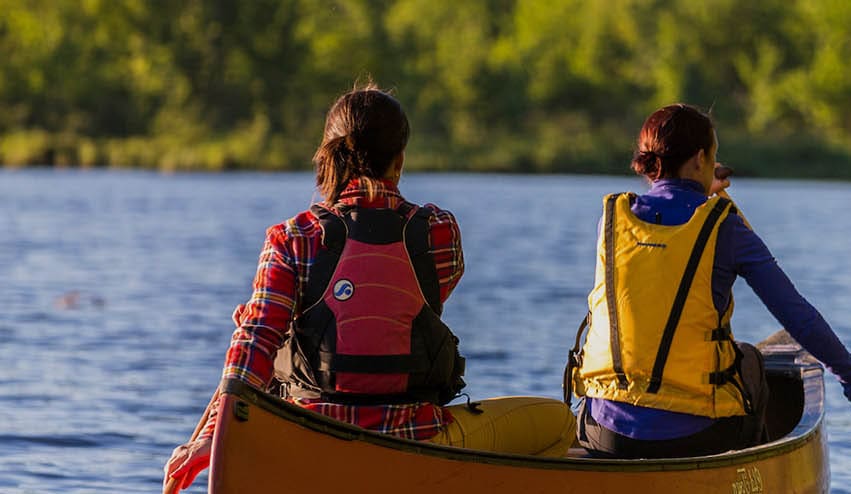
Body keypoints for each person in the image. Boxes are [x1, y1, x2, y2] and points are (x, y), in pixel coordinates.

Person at [165, 86, 573, 491]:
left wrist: (212, 437)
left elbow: (256, 339)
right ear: (399, 160)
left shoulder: (290, 238)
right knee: (559, 422)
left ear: (327, 156)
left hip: (309, 439)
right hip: (417, 443)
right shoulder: (439, 231)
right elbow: (402, 302)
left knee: (268, 334)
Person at [569, 104, 851, 458]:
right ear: (700, 158)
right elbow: (798, 317)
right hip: (693, 437)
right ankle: (754, 475)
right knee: (750, 362)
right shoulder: (726, 227)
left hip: (605, 433)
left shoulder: (613, 221)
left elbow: (666, 212)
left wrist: (698, 189)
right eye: (713, 154)